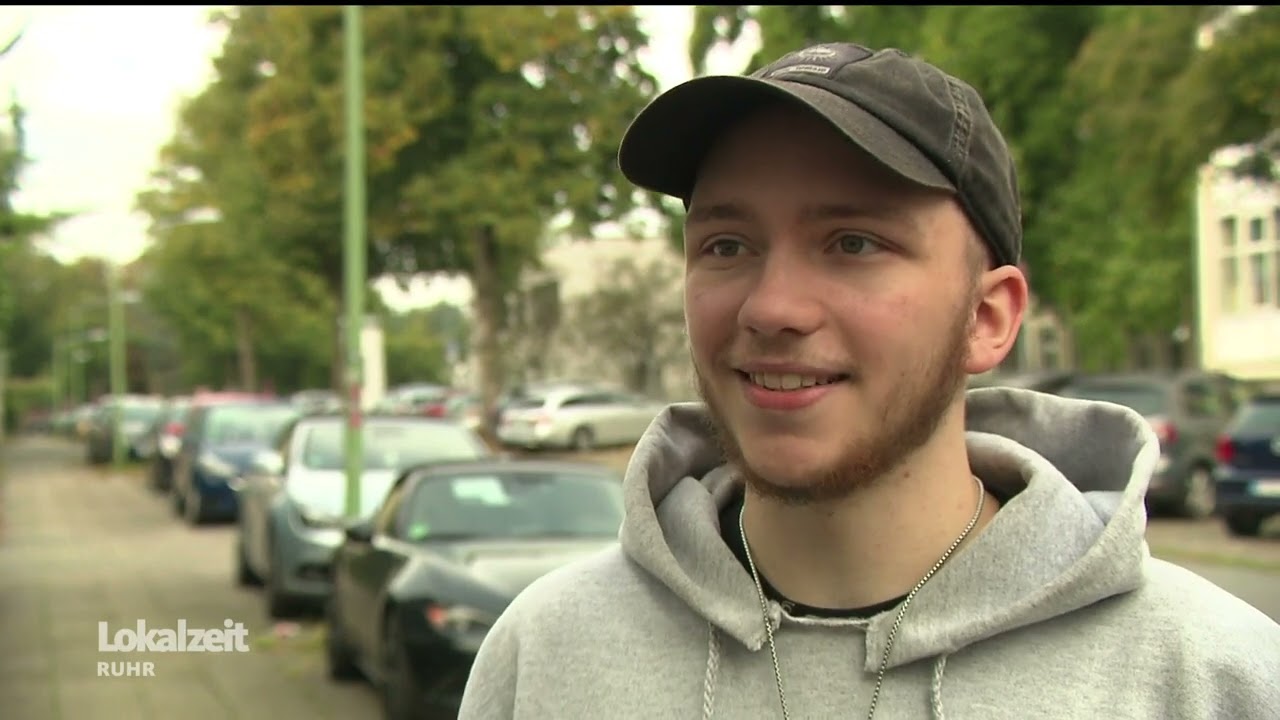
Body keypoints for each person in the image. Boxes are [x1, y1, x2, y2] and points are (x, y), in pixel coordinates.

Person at [457, 42, 1280, 720]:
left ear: (988, 319)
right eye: (727, 245)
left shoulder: (1211, 680)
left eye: (853, 243)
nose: (771, 306)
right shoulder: (549, 656)